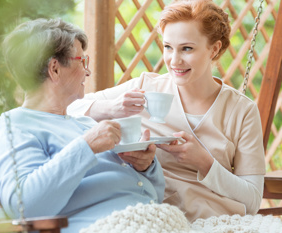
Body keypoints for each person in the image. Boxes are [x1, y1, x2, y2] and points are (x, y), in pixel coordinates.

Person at [68, 0, 266, 222]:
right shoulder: (146, 87)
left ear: (214, 49)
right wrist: (113, 107)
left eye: (187, 48)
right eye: (168, 47)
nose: (174, 60)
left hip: (214, 221)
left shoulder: (242, 111)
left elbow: (253, 199)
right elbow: (71, 107)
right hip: (150, 217)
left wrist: (204, 162)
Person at [0, 18, 165, 233]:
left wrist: (146, 167)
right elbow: (24, 207)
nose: (88, 72)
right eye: (82, 61)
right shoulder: (15, 128)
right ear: (55, 69)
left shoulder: (85, 123)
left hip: (157, 221)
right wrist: (86, 146)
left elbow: (152, 193)